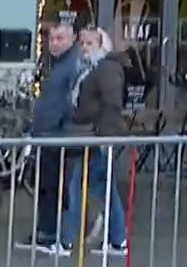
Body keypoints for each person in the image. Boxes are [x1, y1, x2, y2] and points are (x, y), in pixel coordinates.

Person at [52, 27, 129, 256]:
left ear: (101, 46)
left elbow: (111, 104)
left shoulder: (105, 69)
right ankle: (118, 239)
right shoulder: (91, 69)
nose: (84, 48)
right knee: (105, 189)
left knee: (79, 187)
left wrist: (102, 133)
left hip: (99, 137)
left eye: (90, 44)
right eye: (83, 43)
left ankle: (66, 241)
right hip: (95, 136)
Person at [28, 20, 82, 249]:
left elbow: (71, 101)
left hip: (59, 135)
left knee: (58, 187)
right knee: (45, 185)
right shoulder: (56, 64)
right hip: (47, 134)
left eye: (61, 38)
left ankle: (57, 236)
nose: (55, 43)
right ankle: (45, 232)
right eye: (52, 39)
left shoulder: (73, 65)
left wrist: (60, 124)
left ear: (72, 40)